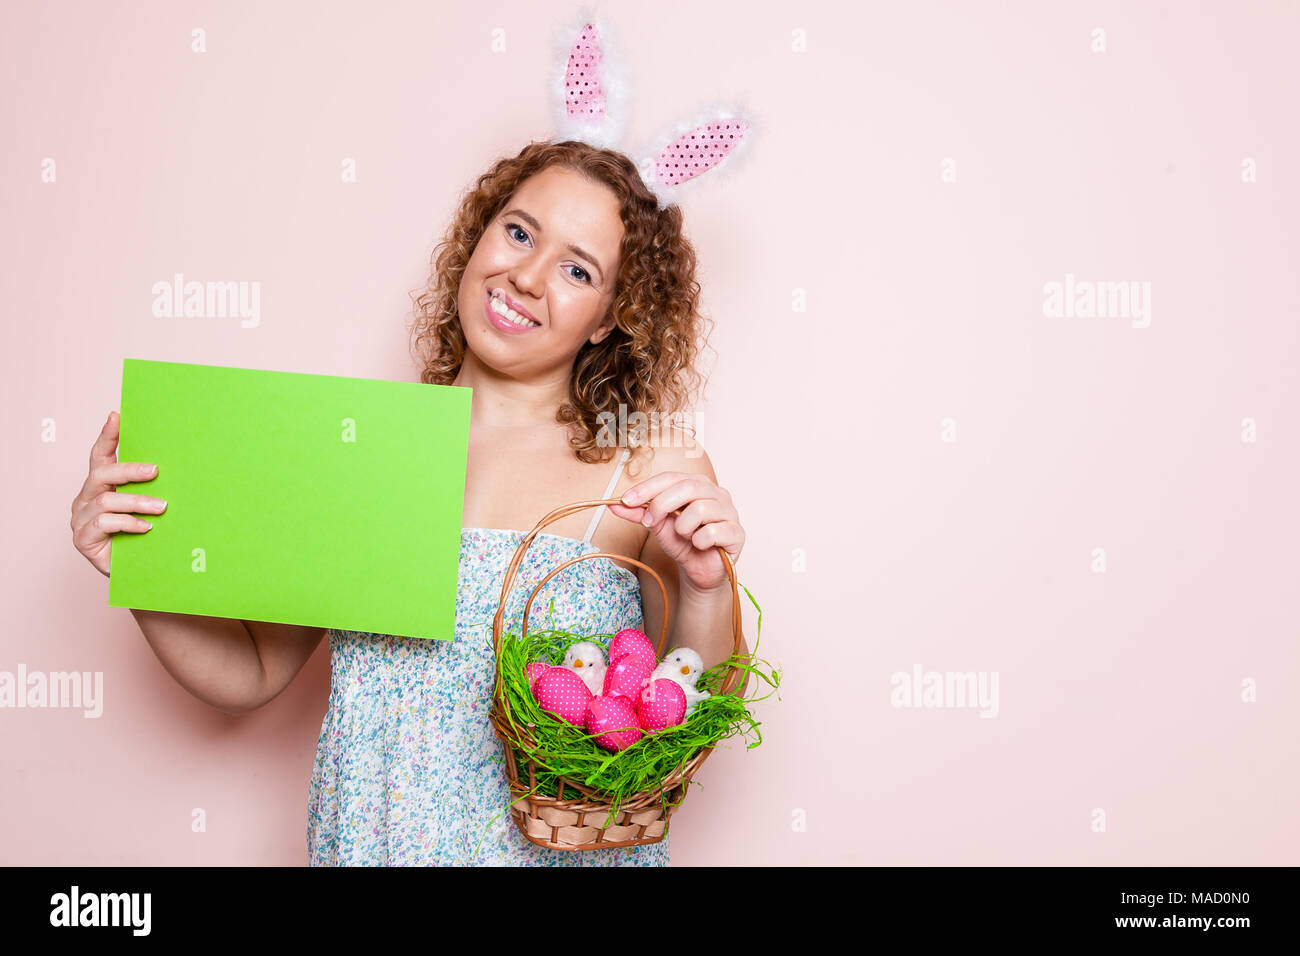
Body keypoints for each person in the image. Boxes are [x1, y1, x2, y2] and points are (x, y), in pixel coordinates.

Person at [70, 140, 749, 866]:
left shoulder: (646, 465)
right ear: (479, 235)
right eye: (518, 232)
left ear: (612, 316)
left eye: (576, 268)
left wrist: (706, 589)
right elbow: (254, 673)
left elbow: (687, 717)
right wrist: (140, 569)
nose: (525, 275)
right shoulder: (359, 448)